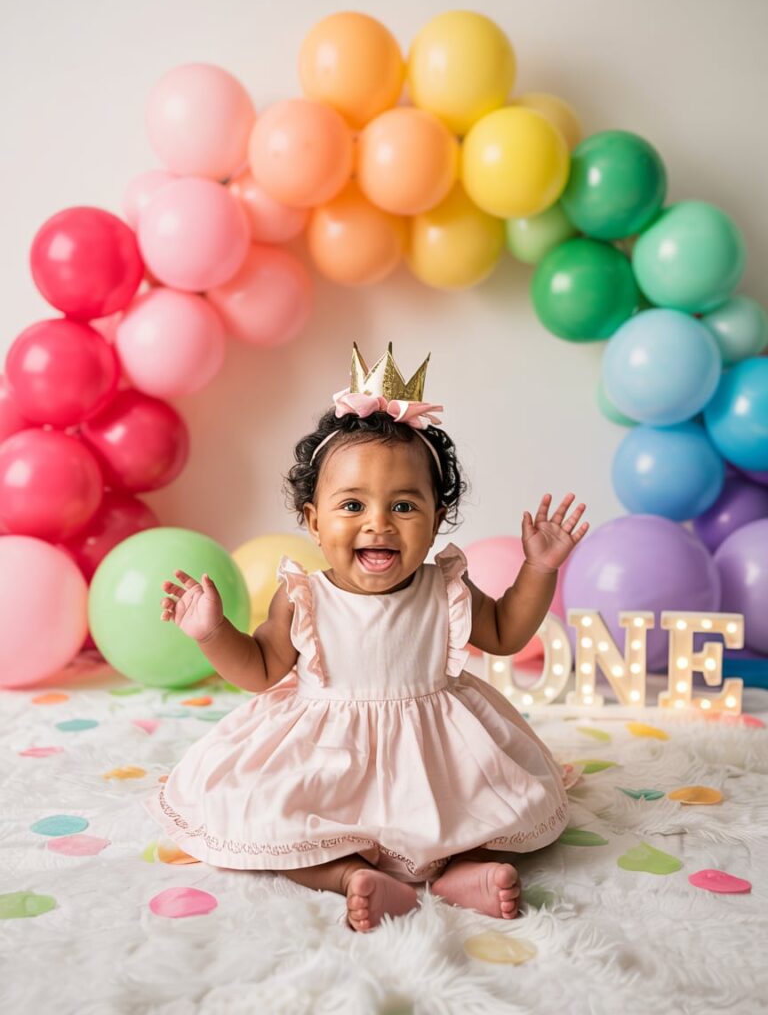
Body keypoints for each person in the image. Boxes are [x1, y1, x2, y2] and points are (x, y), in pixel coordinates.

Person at [146, 343, 588, 933]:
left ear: (436, 520)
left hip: (434, 752)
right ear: (314, 521)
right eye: (352, 504)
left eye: (404, 505)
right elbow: (260, 670)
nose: (378, 523)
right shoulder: (303, 595)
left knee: (489, 809)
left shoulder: (444, 587)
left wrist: (539, 568)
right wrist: (213, 631)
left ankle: (465, 869)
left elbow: (507, 633)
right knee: (280, 823)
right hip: (327, 752)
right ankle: (349, 875)